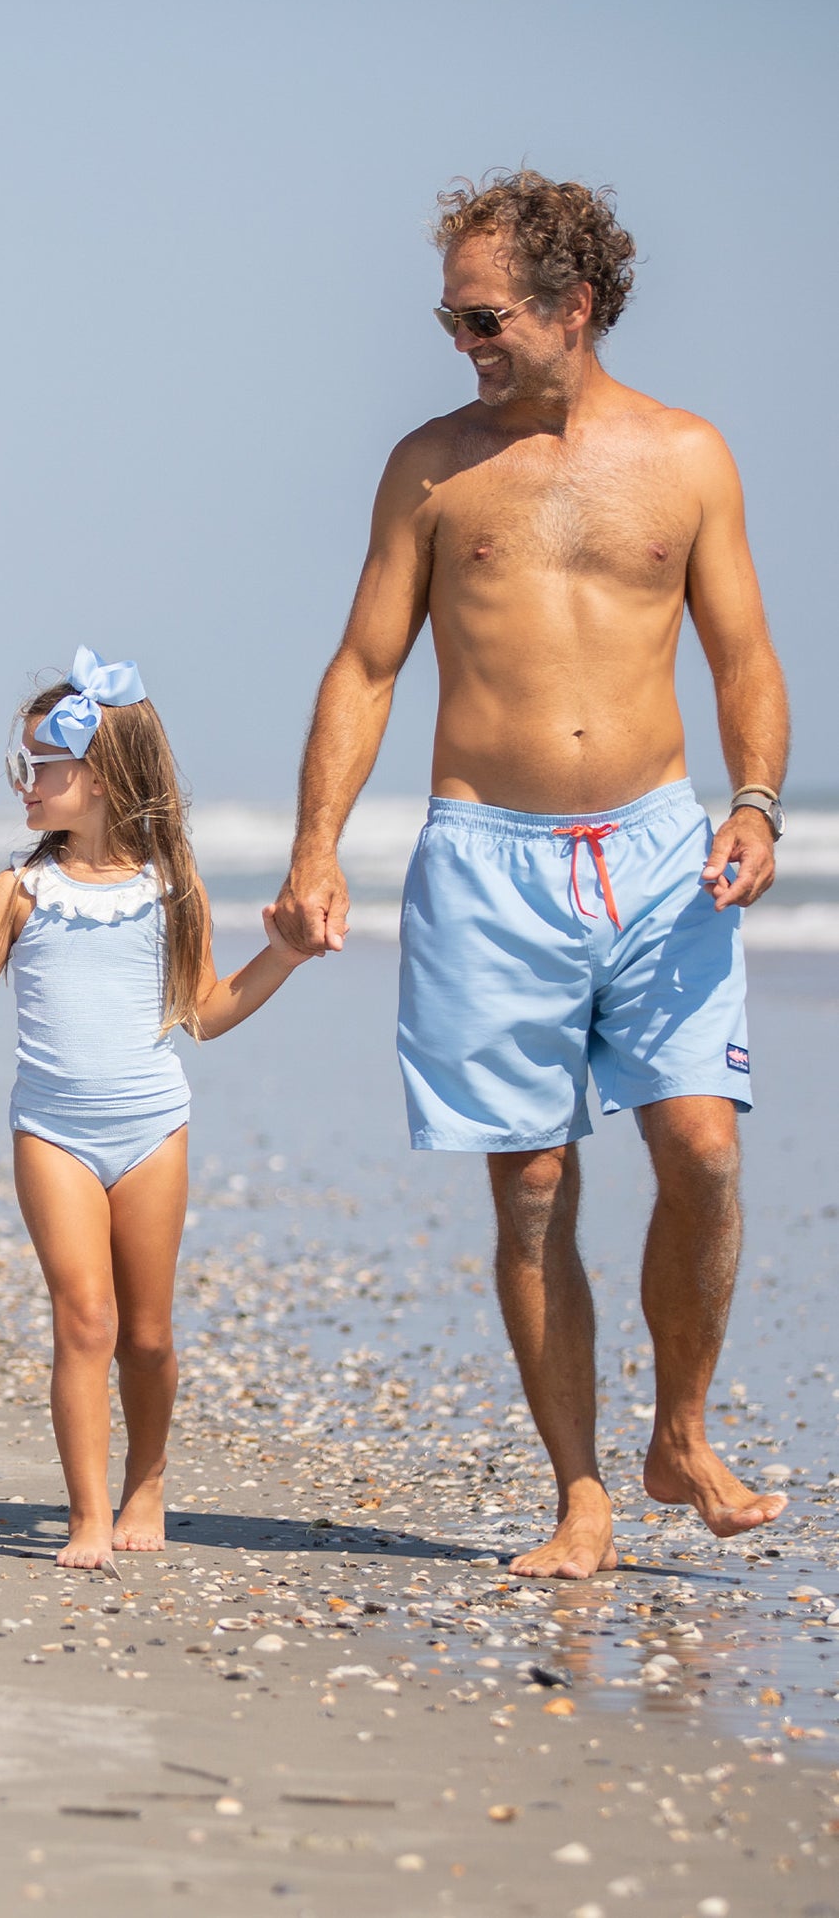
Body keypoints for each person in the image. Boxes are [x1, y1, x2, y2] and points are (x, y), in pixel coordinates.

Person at [272, 172, 792, 1580]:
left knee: (701, 1148)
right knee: (533, 1187)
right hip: (486, 859)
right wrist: (316, 845)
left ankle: (676, 1434)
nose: (461, 339)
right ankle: (580, 1494)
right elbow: (366, 663)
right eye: (448, 314)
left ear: (571, 304)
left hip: (657, 848)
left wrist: (752, 803)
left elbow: (741, 655)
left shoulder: (686, 459)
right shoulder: (430, 466)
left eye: (483, 313)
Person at [0, 649, 308, 1569]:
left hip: (153, 1130)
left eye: (43, 766)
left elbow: (207, 1013)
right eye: (22, 766)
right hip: (53, 1133)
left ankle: (147, 1480)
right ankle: (89, 1516)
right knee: (85, 1321)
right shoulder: (19, 891)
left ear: (100, 778)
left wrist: (286, 956)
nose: (25, 784)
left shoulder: (169, 889)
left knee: (146, 1336)